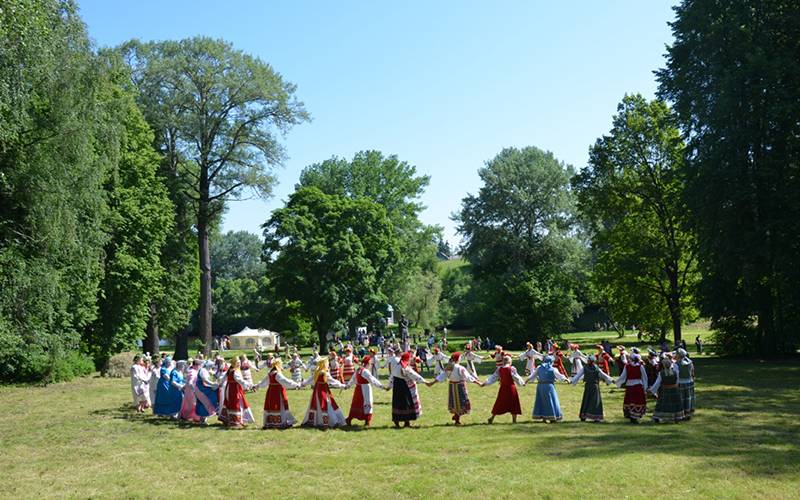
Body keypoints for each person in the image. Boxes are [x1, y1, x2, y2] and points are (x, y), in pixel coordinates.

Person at [429, 352, 483, 426]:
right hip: (460, 386)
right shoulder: (460, 368)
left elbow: (441, 376)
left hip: (452, 386)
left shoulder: (449, 367)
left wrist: (432, 382)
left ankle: (456, 416)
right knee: (461, 403)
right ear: (458, 359)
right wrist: (478, 383)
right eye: (460, 357)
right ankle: (457, 419)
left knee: (455, 403)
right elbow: (468, 377)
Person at [300, 357, 347, 428]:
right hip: (323, 391)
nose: (328, 364)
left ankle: (316, 421)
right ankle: (333, 422)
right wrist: (342, 385)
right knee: (326, 404)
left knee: (316, 404)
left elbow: (310, 380)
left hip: (316, 391)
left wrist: (303, 384)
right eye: (327, 363)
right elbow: (333, 381)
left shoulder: (317, 371)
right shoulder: (325, 373)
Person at [388, 350, 430, 428]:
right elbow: (414, 375)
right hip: (404, 387)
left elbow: (392, 376)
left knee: (397, 403)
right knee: (406, 403)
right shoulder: (405, 367)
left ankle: (396, 420)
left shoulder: (397, 366)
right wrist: (425, 382)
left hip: (397, 387)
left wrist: (389, 386)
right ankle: (406, 422)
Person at [255, 358, 300, 429]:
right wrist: (296, 384)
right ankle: (280, 423)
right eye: (281, 363)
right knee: (280, 406)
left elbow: (264, 382)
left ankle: (270, 422)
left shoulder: (270, 373)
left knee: (271, 406)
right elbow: (285, 381)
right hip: (277, 393)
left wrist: (257, 386)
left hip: (271, 392)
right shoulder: (277, 374)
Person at [345, 356, 388, 427]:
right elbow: (372, 380)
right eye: (370, 363)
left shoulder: (359, 369)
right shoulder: (365, 371)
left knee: (356, 403)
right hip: (365, 389)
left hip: (358, 389)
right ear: (367, 363)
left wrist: (348, 385)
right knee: (367, 402)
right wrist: (381, 386)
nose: (370, 365)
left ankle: (350, 419)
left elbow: (353, 379)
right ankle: (367, 421)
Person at [571, 354, 614, 422]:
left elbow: (578, 375)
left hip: (588, 386)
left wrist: (572, 381)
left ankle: (584, 416)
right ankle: (596, 417)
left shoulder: (585, 368)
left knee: (586, 401)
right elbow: (603, 375)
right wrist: (610, 380)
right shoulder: (596, 368)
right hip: (595, 386)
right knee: (595, 401)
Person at [485, 355, 525, 424]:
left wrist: (486, 383)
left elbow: (493, 377)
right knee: (514, 403)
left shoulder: (500, 369)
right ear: (510, 361)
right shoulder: (511, 368)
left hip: (503, 388)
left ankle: (492, 418)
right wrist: (522, 383)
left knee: (499, 402)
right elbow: (516, 377)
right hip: (511, 388)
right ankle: (514, 421)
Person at [527, 355, 568, 422]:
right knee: (551, 400)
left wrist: (527, 380)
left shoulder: (539, 367)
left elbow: (533, 375)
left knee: (542, 401)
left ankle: (544, 417)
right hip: (549, 386)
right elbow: (559, 376)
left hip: (540, 386)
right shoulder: (553, 369)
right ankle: (552, 416)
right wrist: (566, 379)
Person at [220, 357, 255, 429]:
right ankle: (236, 421)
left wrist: (221, 383)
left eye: (239, 362)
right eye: (237, 363)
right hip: (234, 390)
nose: (239, 364)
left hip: (230, 388)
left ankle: (233, 420)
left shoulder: (230, 370)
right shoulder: (234, 371)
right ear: (234, 363)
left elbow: (223, 379)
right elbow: (240, 380)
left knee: (232, 403)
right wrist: (250, 385)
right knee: (236, 403)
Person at [648, 355, 685, 423]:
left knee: (662, 404)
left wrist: (652, 390)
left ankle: (658, 417)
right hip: (674, 391)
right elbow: (677, 382)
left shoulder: (661, 373)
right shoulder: (675, 372)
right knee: (674, 404)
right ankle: (677, 417)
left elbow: (657, 383)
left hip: (665, 391)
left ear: (664, 365)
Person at [615, 352, 648, 423]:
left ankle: (631, 416)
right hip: (638, 386)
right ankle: (635, 417)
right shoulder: (640, 366)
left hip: (630, 386)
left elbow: (623, 377)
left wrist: (617, 382)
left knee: (630, 401)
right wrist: (645, 387)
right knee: (637, 401)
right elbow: (644, 378)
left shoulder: (627, 366)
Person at [675, 348, 696, 419]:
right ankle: (688, 412)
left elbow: (676, 374)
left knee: (682, 398)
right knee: (689, 397)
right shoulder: (690, 362)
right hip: (689, 381)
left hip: (681, 382)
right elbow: (692, 372)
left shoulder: (676, 364)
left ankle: (683, 413)